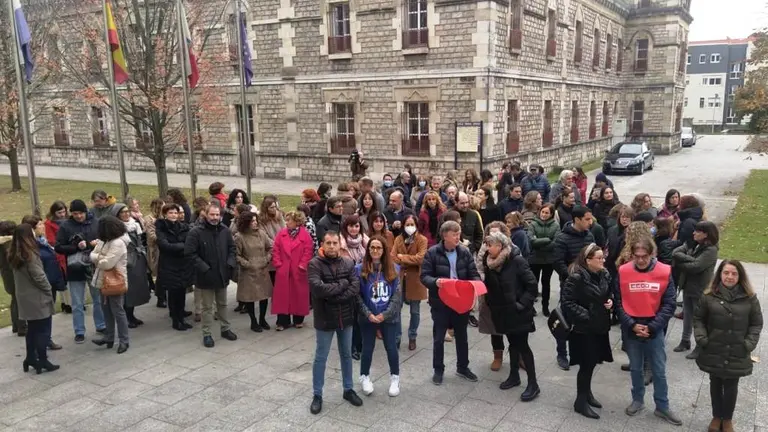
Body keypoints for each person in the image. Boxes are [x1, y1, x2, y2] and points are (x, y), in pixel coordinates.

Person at [616, 237, 681, 425]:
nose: (641, 260)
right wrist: (631, 324)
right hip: (632, 328)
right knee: (636, 368)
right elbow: (619, 303)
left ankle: (662, 406)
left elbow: (669, 304)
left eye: (644, 256)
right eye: (637, 257)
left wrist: (652, 327)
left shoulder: (664, 271)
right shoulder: (624, 272)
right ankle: (638, 400)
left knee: (659, 370)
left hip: (654, 327)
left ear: (652, 254)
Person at [694, 260, 763, 432]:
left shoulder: (750, 298)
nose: (730, 277)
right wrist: (702, 338)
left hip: (737, 350)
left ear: (740, 276)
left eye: (734, 273)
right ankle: (717, 416)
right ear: (720, 275)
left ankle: (727, 419)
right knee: (715, 383)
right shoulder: (709, 296)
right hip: (714, 349)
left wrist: (749, 343)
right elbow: (698, 319)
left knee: (731, 385)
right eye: (726, 273)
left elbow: (756, 323)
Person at [420, 221, 482, 385]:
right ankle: (438, 370)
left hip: (460, 301)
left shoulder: (464, 252)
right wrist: (436, 281)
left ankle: (463, 367)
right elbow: (424, 277)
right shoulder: (432, 253)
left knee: (462, 336)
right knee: (439, 338)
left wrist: (475, 285)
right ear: (445, 236)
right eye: (454, 234)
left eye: (458, 233)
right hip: (440, 302)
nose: (458, 237)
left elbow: (473, 273)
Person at [308, 231, 363, 414]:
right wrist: (342, 285)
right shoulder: (314, 264)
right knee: (321, 357)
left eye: (335, 243)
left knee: (346, 355)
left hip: (346, 317)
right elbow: (318, 289)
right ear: (322, 244)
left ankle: (348, 389)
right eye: (328, 243)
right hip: (325, 319)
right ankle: (317, 394)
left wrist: (334, 296)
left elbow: (355, 287)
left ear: (340, 244)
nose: (332, 246)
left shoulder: (348, 263)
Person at [481, 231, 539, 398]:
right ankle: (514, 376)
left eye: (490, 245)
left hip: (518, 313)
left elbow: (532, 285)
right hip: (502, 313)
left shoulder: (517, 260)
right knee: (512, 344)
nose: (487, 248)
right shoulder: (490, 263)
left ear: (500, 246)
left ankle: (533, 384)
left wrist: (521, 305)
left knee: (523, 346)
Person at [561, 243, 613, 419]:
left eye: (602, 257)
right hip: (583, 329)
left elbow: (608, 293)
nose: (603, 260)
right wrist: (588, 315)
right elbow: (567, 302)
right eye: (599, 258)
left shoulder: (604, 274)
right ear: (587, 260)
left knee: (592, 363)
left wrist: (610, 302)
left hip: (599, 326)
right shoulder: (576, 278)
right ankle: (580, 401)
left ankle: (587, 393)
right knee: (586, 364)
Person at [184, 203, 238, 348]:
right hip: (205, 276)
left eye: (217, 215)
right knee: (207, 307)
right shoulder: (196, 232)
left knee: (223, 304)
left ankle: (225, 329)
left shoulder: (224, 230)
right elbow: (190, 253)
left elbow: (232, 248)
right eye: (212, 214)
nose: (215, 217)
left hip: (222, 274)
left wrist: (230, 263)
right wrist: (204, 268)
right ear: (206, 215)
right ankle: (207, 334)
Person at [356, 236, 403, 397]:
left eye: (379, 248)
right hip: (367, 316)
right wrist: (368, 314)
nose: (375, 251)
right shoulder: (359, 270)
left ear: (384, 251)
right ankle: (364, 376)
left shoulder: (394, 269)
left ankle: (395, 378)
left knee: (391, 347)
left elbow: (397, 296)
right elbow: (357, 296)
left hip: (388, 317)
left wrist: (384, 315)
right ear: (368, 250)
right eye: (372, 247)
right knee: (367, 347)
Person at [10, 223, 59, 374]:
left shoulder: (14, 253)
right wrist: (48, 289)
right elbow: (38, 276)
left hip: (25, 297)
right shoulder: (29, 254)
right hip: (37, 297)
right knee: (43, 329)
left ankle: (30, 357)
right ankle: (42, 360)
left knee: (32, 329)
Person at [55, 199, 104, 343]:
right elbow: (58, 247)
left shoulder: (95, 222)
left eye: (81, 213)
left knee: (98, 299)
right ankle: (79, 331)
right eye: (75, 214)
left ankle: (101, 325)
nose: (78, 216)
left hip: (93, 265)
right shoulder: (66, 226)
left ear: (85, 211)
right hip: (75, 267)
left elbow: (104, 239)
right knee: (77, 302)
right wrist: (76, 247)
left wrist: (95, 244)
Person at [552, 206, 595, 370]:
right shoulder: (562, 238)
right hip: (569, 286)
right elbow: (558, 262)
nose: (590, 222)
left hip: (587, 286)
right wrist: (571, 276)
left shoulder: (589, 235)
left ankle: (580, 350)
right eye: (587, 219)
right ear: (577, 220)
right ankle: (562, 354)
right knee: (565, 320)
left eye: (591, 219)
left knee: (583, 319)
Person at [672, 221, 719, 359]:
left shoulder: (711, 250)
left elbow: (696, 266)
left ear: (706, 234)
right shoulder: (694, 244)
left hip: (700, 289)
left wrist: (683, 262)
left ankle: (700, 345)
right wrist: (689, 259)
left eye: (697, 231)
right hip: (688, 286)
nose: (694, 233)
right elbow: (676, 252)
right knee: (687, 314)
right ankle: (685, 340)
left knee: (699, 319)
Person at [89, 215, 131, 354]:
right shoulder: (103, 241)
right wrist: (100, 258)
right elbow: (92, 255)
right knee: (106, 310)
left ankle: (124, 340)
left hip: (115, 282)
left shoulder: (118, 243)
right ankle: (109, 337)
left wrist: (98, 258)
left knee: (118, 311)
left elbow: (107, 264)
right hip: (103, 281)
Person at [23, 216, 64, 350]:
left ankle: (46, 339)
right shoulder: (31, 246)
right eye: (40, 224)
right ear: (33, 228)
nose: (43, 226)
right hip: (42, 285)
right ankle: (41, 343)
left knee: (47, 315)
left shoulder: (43, 242)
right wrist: (46, 285)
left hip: (50, 281)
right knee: (41, 317)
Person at [111, 203, 151, 328]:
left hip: (137, 259)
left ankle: (131, 315)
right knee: (127, 291)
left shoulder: (135, 224)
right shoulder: (116, 229)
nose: (126, 214)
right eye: (122, 212)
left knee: (136, 289)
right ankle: (126, 317)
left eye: (127, 211)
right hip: (126, 262)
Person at [272, 211, 314, 331]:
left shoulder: (305, 235)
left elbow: (308, 251)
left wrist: (302, 265)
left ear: (296, 222)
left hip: (298, 270)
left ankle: (298, 319)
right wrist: (278, 264)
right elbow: (276, 250)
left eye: (289, 220)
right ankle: (282, 321)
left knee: (298, 295)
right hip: (284, 270)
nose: (286, 223)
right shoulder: (281, 234)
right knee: (282, 296)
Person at [392, 214, 428, 351]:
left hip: (416, 278)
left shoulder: (422, 240)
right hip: (400, 278)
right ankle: (397, 337)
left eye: (412, 224)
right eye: (407, 224)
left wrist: (403, 257)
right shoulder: (398, 239)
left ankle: (412, 336)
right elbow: (393, 257)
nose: (410, 227)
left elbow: (421, 258)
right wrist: (406, 258)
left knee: (415, 311)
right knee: (397, 309)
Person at [235, 211, 274, 332]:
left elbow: (270, 248)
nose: (255, 222)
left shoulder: (262, 233)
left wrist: (266, 259)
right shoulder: (239, 236)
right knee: (250, 297)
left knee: (264, 296)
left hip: (262, 269)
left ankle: (262, 319)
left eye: (256, 220)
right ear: (245, 222)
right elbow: (236, 255)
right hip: (248, 272)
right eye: (252, 221)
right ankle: (253, 321)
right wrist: (248, 264)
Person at [155, 204, 193, 331]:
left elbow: (189, 244)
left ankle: (181, 316)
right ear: (165, 214)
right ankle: (175, 320)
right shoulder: (161, 227)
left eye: (175, 213)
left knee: (181, 291)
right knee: (173, 292)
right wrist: (180, 246)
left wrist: (177, 246)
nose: (173, 215)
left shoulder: (183, 227)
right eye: (170, 213)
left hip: (183, 264)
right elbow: (164, 245)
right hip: (169, 265)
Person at [527, 204, 558, 315]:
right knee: (533, 283)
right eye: (542, 212)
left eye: (547, 213)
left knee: (546, 284)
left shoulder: (555, 225)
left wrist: (539, 242)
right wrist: (547, 240)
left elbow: (555, 243)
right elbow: (531, 241)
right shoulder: (533, 224)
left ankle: (545, 306)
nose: (544, 215)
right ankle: (531, 307)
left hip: (548, 260)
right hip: (534, 259)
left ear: (551, 214)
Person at [44, 201, 71, 314]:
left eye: (64, 211)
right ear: (54, 212)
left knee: (69, 279)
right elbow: (51, 240)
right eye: (60, 212)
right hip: (59, 253)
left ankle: (68, 302)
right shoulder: (49, 224)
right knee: (63, 279)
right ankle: (66, 303)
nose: (62, 214)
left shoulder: (69, 221)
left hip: (69, 251)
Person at [0, 221, 24, 336]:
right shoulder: (8, 244)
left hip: (6, 274)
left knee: (15, 299)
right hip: (12, 274)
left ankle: (16, 325)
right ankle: (21, 326)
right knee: (18, 300)